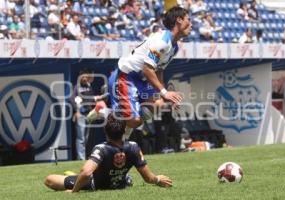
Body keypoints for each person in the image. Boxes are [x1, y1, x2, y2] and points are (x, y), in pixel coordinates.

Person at [105, 6, 192, 139]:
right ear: (179, 20)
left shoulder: (174, 47)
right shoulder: (162, 41)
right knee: (134, 120)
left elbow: (159, 69)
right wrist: (164, 92)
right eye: (188, 20)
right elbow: (147, 69)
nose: (191, 24)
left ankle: (123, 137)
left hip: (141, 80)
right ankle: (104, 112)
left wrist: (163, 94)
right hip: (126, 76)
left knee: (153, 108)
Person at [44, 113, 172, 191]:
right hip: (119, 184)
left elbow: (86, 172)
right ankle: (125, 178)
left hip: (94, 184)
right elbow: (149, 178)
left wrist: (74, 191)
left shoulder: (101, 149)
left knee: (49, 179)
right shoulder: (134, 147)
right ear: (124, 131)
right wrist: (158, 180)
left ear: (105, 131)